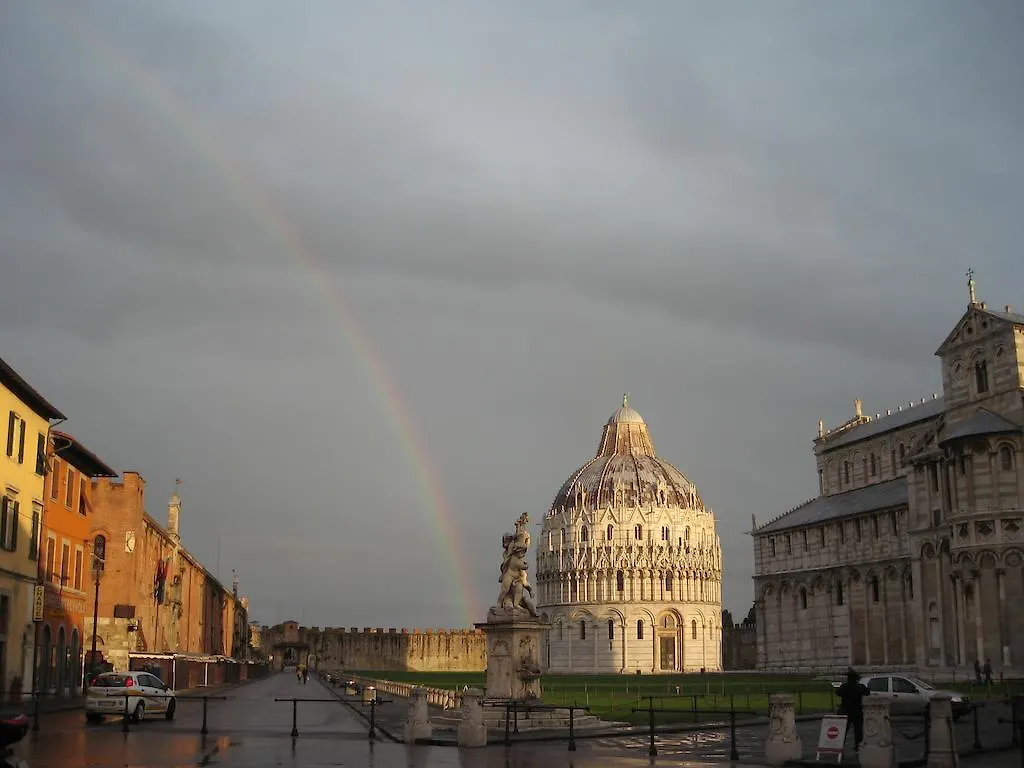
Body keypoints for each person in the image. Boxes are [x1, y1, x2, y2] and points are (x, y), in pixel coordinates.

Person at [837, 668, 870, 752]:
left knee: (843, 731)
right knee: (858, 731)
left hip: (846, 711)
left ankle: (840, 746)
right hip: (857, 712)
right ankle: (858, 747)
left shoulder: (844, 686)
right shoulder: (860, 687)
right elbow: (867, 693)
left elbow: (838, 693)